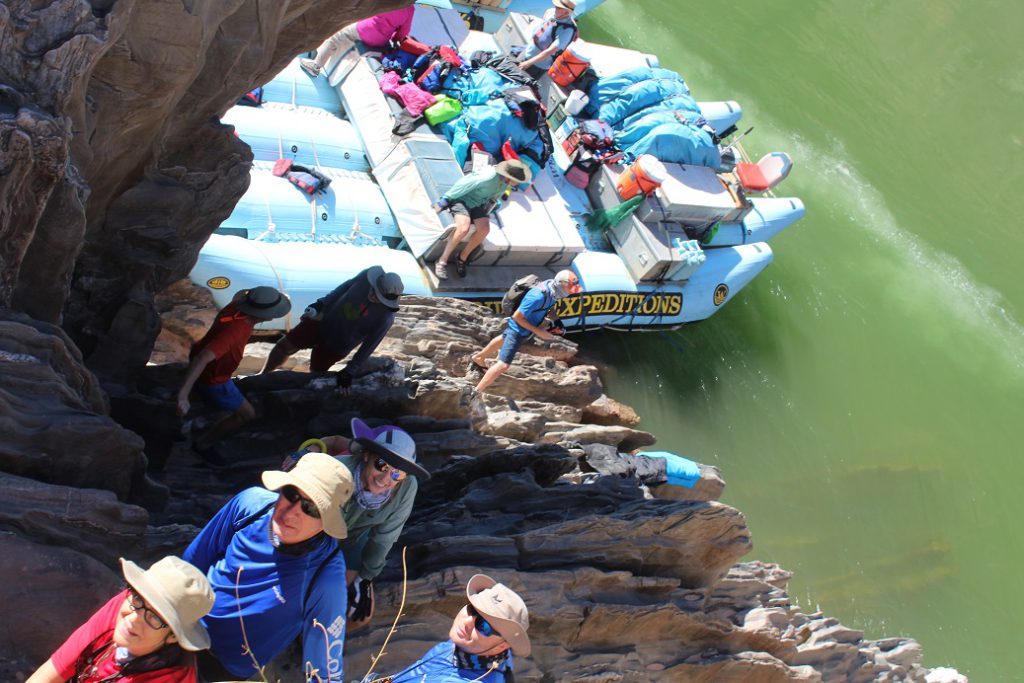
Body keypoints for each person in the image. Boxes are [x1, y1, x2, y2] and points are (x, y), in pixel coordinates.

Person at [182, 453, 355, 682]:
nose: (292, 511)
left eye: (310, 508)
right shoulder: (250, 505)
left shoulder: (325, 578)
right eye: (291, 493)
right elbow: (191, 564)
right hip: (183, 631)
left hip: (226, 670)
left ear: (327, 523)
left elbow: (324, 671)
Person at [284, 417, 431, 632]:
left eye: (397, 474)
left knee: (359, 614)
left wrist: (365, 579)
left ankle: (311, 640)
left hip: (350, 541)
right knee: (305, 592)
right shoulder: (335, 472)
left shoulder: (407, 488)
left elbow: (384, 538)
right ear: (366, 455)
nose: (385, 479)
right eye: (381, 465)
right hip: (310, 538)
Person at [27, 556, 214, 683]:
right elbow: (57, 668)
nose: (133, 618)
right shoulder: (127, 603)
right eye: (140, 598)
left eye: (155, 617)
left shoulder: (165, 678)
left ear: (174, 636)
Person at [177, 286, 291, 455]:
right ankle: (203, 445)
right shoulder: (236, 330)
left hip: (207, 367)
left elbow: (241, 292)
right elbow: (203, 358)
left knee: (199, 396)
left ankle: (190, 416)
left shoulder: (236, 305)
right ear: (264, 315)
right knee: (247, 414)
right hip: (215, 379)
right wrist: (182, 394)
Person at [260, 266, 403, 388]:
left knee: (316, 372)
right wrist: (321, 303)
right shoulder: (367, 276)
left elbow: (368, 347)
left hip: (339, 344)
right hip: (323, 320)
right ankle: (263, 375)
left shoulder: (385, 318)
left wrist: (349, 372)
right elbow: (344, 288)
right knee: (285, 346)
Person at [379, 574, 530, 683]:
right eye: (473, 610)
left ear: (503, 645)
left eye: (483, 626)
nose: (468, 622)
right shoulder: (477, 651)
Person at [473, 270, 583, 393]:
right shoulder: (538, 296)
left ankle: (478, 357)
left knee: (504, 338)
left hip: (525, 328)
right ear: (561, 285)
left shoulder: (553, 291)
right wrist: (538, 332)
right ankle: (475, 392)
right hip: (517, 329)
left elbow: (549, 307)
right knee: (503, 365)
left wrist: (557, 321)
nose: (571, 293)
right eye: (570, 289)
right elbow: (517, 317)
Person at [433, 160, 533, 280]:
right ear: (510, 177)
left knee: (484, 229)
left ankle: (461, 258)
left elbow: (494, 196)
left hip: (478, 203)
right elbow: (465, 183)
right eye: (519, 180)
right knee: (463, 228)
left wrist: (493, 205)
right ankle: (441, 261)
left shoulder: (506, 183)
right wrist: (447, 198)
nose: (519, 183)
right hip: (461, 199)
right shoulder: (488, 177)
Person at [300, 7, 415, 77]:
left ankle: (316, 66)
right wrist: (394, 38)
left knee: (336, 36)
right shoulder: (410, 9)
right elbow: (404, 32)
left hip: (365, 29)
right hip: (380, 41)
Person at [516, 0, 578, 80]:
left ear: (566, 12)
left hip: (536, 65)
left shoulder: (567, 30)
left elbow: (550, 51)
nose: (555, 8)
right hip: (528, 52)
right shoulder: (552, 13)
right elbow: (547, 19)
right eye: (556, 6)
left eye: (559, 7)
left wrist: (528, 63)